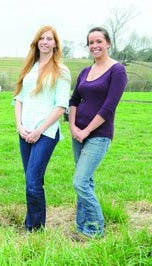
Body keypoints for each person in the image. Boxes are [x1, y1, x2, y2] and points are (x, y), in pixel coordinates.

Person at [69, 27, 127, 239]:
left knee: (80, 181)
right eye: (91, 42)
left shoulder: (117, 70)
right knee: (87, 181)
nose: (95, 45)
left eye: (99, 41)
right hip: (78, 133)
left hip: (98, 134)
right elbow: (74, 100)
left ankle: (96, 229)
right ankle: (82, 228)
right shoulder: (85, 72)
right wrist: (73, 127)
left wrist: (86, 131)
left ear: (108, 43)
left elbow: (109, 107)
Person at [13, 25, 71, 232]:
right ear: (37, 42)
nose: (45, 42)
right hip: (25, 131)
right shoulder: (29, 68)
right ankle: (32, 221)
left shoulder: (61, 71)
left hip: (45, 133)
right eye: (42, 38)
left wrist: (38, 131)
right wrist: (19, 126)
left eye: (50, 38)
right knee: (31, 179)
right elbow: (18, 99)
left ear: (55, 44)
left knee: (33, 181)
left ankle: (35, 229)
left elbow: (61, 106)